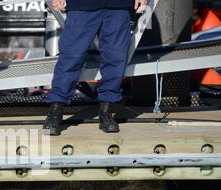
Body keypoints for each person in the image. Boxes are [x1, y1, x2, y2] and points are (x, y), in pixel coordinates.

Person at [43, 0, 148, 136]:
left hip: (118, 7)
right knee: (71, 57)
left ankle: (106, 110)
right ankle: (56, 110)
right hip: (82, 6)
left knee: (116, 58)